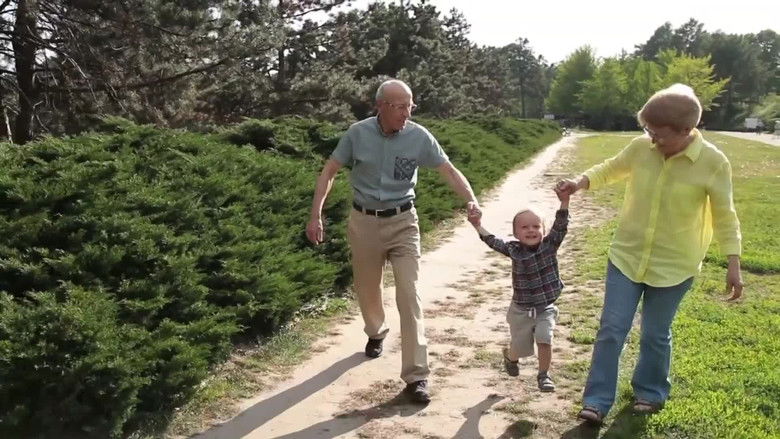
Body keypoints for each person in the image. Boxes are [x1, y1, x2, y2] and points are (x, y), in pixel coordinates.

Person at [556, 84, 744, 424]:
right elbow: (611, 168)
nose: (652, 139)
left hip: (676, 264)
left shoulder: (714, 162)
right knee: (612, 328)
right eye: (648, 131)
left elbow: (724, 214)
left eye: (659, 134)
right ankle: (597, 401)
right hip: (627, 256)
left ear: (687, 130)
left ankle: (650, 391)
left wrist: (733, 262)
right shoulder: (641, 148)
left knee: (656, 333)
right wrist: (580, 182)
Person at [306, 79, 481, 403]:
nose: (406, 112)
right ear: (381, 107)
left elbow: (449, 169)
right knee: (367, 289)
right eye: (399, 106)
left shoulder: (418, 136)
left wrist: (470, 199)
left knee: (409, 294)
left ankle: (416, 375)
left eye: (410, 105)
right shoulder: (357, 134)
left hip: (404, 222)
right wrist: (315, 215)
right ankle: (376, 331)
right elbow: (329, 170)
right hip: (364, 223)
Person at [468, 186, 570, 392]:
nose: (531, 230)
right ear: (515, 233)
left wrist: (564, 202)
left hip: (545, 306)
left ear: (543, 229)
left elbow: (561, 226)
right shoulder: (513, 250)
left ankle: (544, 375)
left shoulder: (550, 245)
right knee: (519, 347)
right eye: (524, 227)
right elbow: (493, 241)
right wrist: (478, 225)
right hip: (521, 309)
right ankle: (510, 357)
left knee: (544, 337)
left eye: (536, 226)